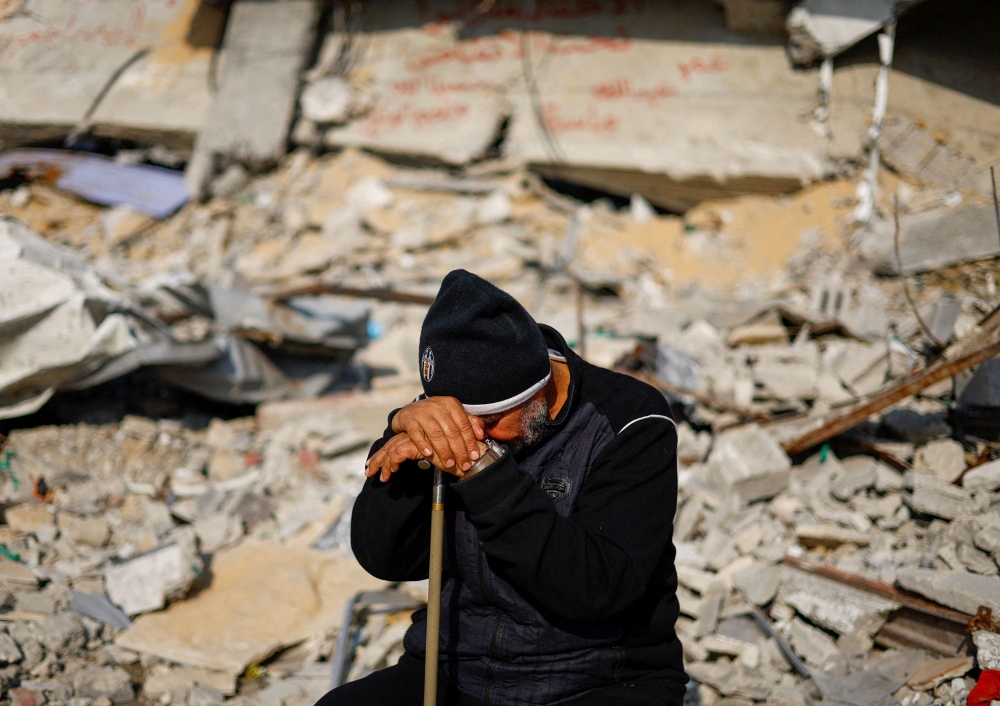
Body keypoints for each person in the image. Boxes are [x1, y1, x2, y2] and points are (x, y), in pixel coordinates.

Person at [317, 270, 686, 706]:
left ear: (538, 389)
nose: (471, 435)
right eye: (457, 419)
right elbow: (388, 559)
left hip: (596, 675)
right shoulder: (455, 420)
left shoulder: (631, 422)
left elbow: (598, 590)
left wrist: (484, 474)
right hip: (458, 667)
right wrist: (402, 451)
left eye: (489, 423)